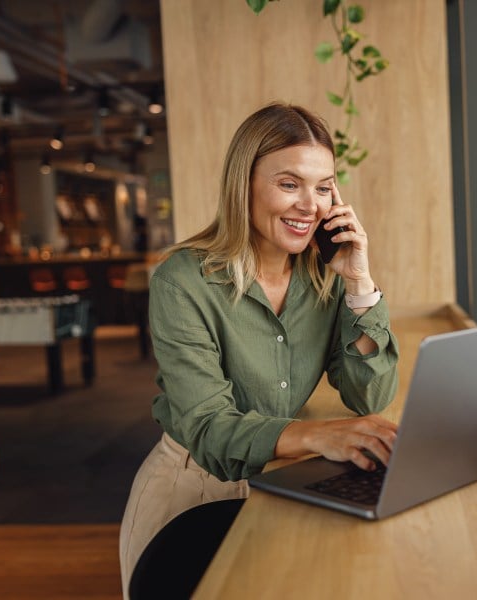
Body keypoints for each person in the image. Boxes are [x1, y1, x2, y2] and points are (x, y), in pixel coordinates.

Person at [119, 102, 400, 593]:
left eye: (323, 186)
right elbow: (208, 428)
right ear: (242, 184)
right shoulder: (182, 280)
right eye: (289, 183)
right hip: (192, 493)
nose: (310, 205)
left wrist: (359, 283)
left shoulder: (325, 276)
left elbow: (368, 397)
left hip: (280, 488)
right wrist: (317, 435)